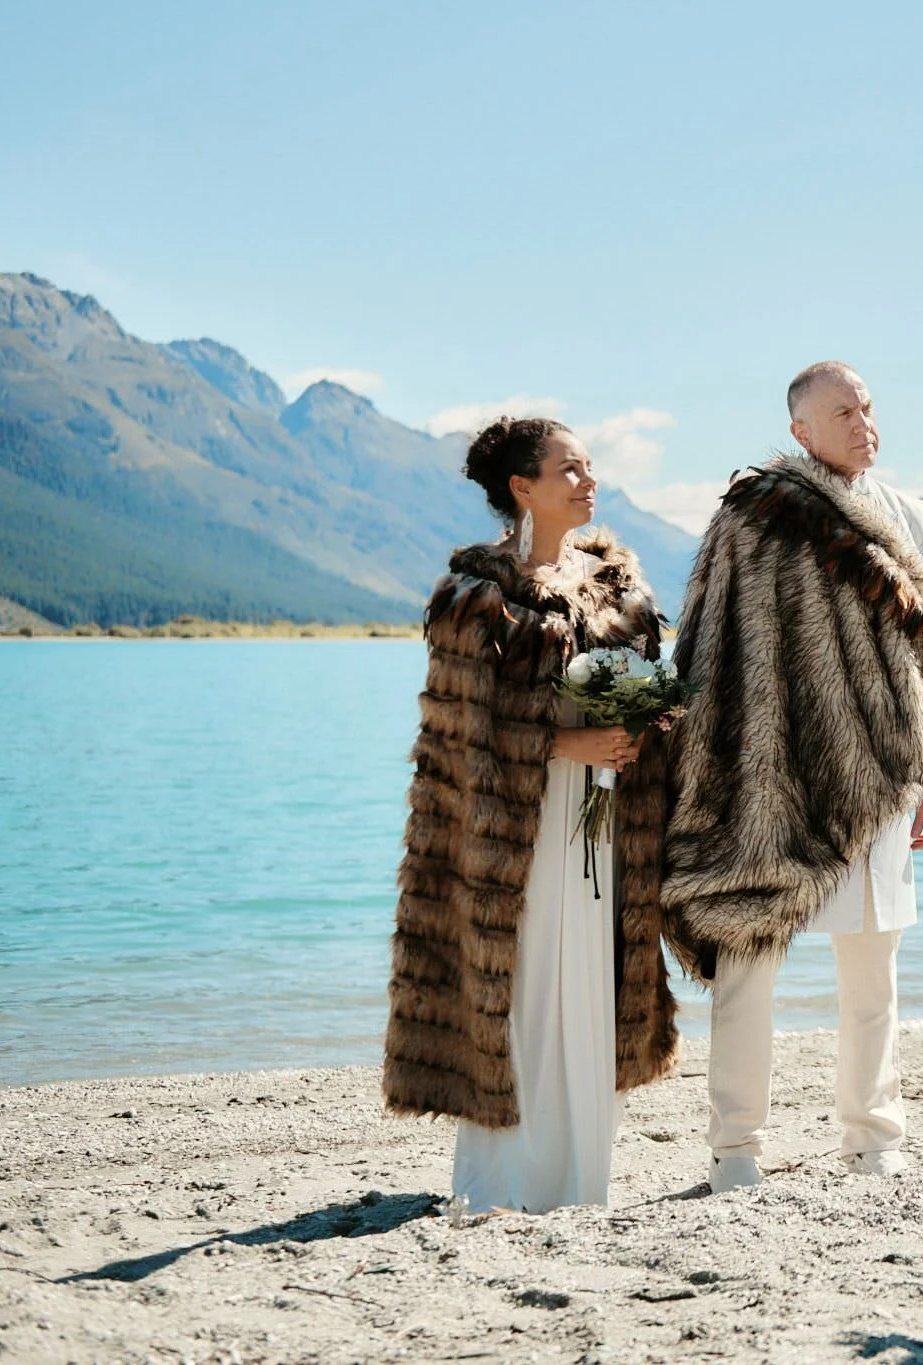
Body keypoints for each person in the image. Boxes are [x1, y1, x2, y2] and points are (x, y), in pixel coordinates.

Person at [663, 361, 923, 1194]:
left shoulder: (909, 517)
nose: (864, 422)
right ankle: (736, 1149)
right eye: (842, 410)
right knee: (750, 954)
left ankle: (873, 1137)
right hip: (774, 773)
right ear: (800, 430)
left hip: (886, 773)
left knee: (874, 969)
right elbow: (710, 644)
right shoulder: (755, 513)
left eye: (867, 407)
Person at [382, 415, 681, 1214]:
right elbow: (462, 729)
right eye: (568, 470)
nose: (588, 482)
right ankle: (506, 1181)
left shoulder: (621, 587)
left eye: (589, 468)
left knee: (591, 981)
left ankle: (581, 1180)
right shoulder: (475, 598)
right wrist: (565, 740)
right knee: (521, 982)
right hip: (514, 833)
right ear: (522, 487)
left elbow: (654, 685)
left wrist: (642, 726)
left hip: (608, 818)